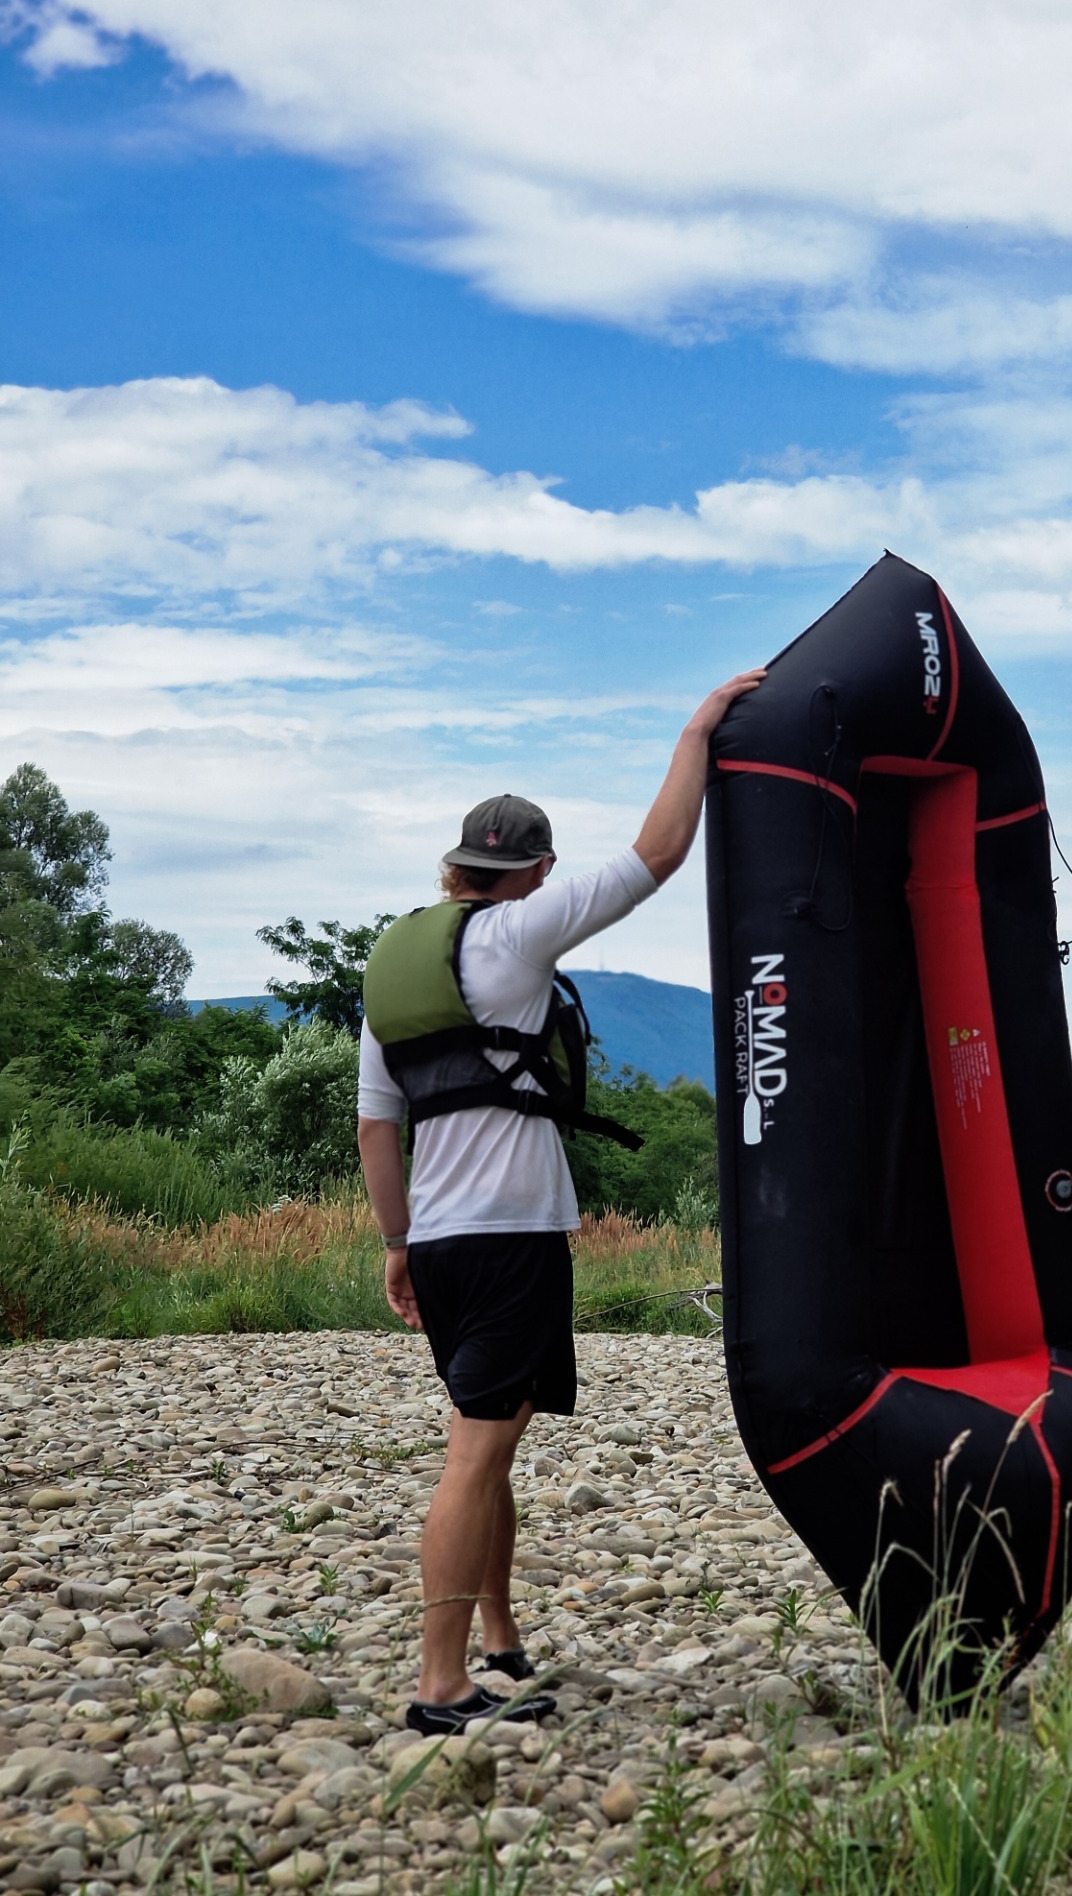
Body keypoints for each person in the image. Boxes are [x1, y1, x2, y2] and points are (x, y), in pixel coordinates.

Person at [356, 668, 764, 1735]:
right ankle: (439, 1688)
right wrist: (698, 730)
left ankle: (497, 1636)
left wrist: (396, 1245)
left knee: (494, 1433)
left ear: (456, 864)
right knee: (475, 1455)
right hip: (510, 1239)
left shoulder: (394, 972)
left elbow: (375, 1128)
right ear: (533, 873)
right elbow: (657, 855)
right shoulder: (518, 933)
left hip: (440, 1241)